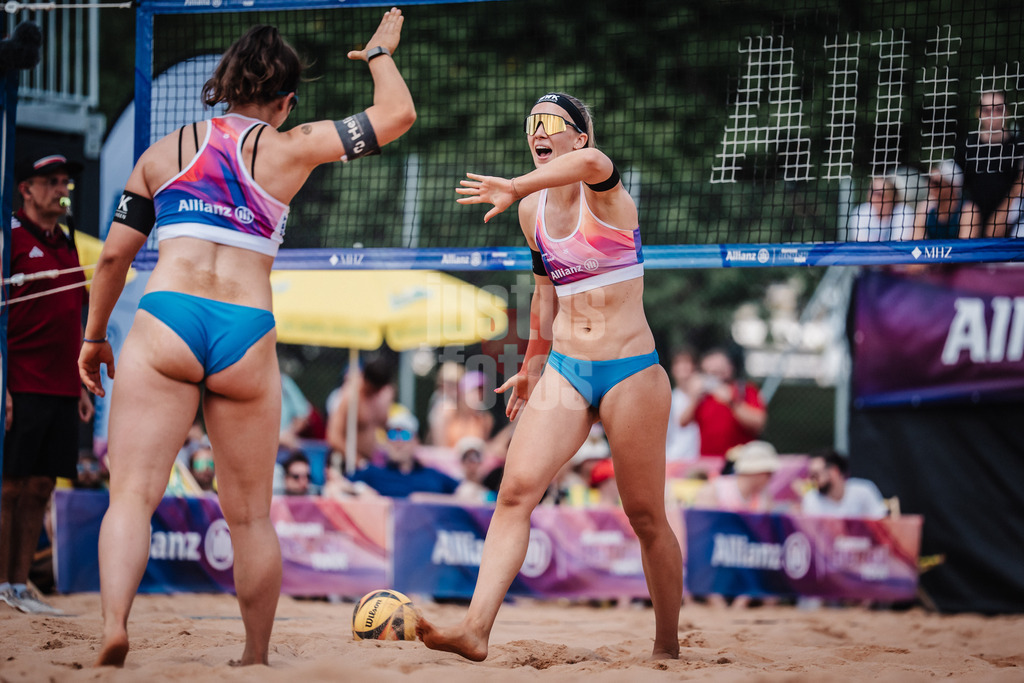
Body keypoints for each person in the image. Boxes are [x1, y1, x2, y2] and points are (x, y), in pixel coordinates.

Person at [76, 11, 415, 667]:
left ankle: (114, 625)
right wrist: (377, 53)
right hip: (244, 329)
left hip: (168, 316)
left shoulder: (161, 154)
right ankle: (255, 655)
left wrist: (94, 338)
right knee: (251, 517)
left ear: (222, 85)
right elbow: (396, 115)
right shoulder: (292, 146)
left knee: (132, 496)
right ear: (286, 101)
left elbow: (114, 261)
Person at [418, 92, 682, 661]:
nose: (536, 131)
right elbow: (544, 294)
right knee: (514, 493)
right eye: (530, 124)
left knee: (645, 515)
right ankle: (475, 629)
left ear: (579, 136)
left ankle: (667, 644)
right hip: (565, 367)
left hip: (631, 370)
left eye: (551, 123)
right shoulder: (530, 211)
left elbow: (593, 164)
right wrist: (532, 364)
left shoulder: (602, 190)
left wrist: (515, 183)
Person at [2, 150, 94, 616]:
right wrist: (2, 386)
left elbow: (72, 317)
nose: (61, 190)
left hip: (61, 386)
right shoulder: (9, 236)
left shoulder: (66, 240)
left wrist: (79, 381)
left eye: (65, 183)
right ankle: (1, 584)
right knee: (9, 486)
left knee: (41, 486)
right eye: (52, 181)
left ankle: (18, 587)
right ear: (26, 189)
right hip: (20, 382)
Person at [678, 347, 766, 465]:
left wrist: (732, 402)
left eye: (718, 371)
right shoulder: (703, 396)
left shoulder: (745, 390)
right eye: (710, 372)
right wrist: (694, 398)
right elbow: (682, 422)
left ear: (730, 368)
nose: (715, 377)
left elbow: (759, 423)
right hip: (708, 464)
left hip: (740, 463)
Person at [348, 409, 460, 498]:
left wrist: (428, 499)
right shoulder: (373, 473)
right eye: (392, 434)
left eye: (405, 435)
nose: (398, 441)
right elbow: (339, 484)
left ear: (416, 441)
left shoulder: (432, 475)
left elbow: (466, 492)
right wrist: (360, 489)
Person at [954, 90, 1024, 231]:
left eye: (998, 109)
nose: (992, 115)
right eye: (986, 110)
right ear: (978, 113)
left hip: (1011, 220)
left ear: (1007, 112)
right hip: (971, 220)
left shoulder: (1020, 146)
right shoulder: (965, 146)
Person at [326, 356, 396, 470]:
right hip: (346, 462)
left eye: (379, 390)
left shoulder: (386, 394)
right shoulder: (349, 396)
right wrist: (358, 461)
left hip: (371, 461)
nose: (376, 393)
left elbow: (385, 427)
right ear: (364, 378)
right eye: (373, 389)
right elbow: (333, 437)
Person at [692, 441, 781, 512]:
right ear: (757, 472)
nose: (770, 478)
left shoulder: (764, 497)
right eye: (769, 473)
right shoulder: (715, 490)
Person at [802, 448, 888, 519]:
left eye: (815, 475)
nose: (811, 480)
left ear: (834, 472)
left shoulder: (864, 491)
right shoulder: (811, 498)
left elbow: (882, 521)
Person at [912, 160, 980, 240]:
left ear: (952, 187)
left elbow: (965, 249)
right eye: (929, 180)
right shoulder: (924, 208)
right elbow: (917, 246)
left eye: (936, 183)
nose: (930, 186)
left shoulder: (968, 210)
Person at [845, 175, 916, 242]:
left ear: (892, 196)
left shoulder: (904, 213)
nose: (874, 197)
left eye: (879, 194)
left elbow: (901, 244)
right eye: (872, 192)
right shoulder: (860, 213)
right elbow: (861, 244)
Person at [666, 346, 700, 462]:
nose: (683, 368)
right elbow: (682, 421)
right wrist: (695, 398)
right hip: (675, 458)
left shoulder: (704, 393)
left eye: (686, 363)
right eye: (678, 364)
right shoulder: (671, 397)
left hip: (697, 458)